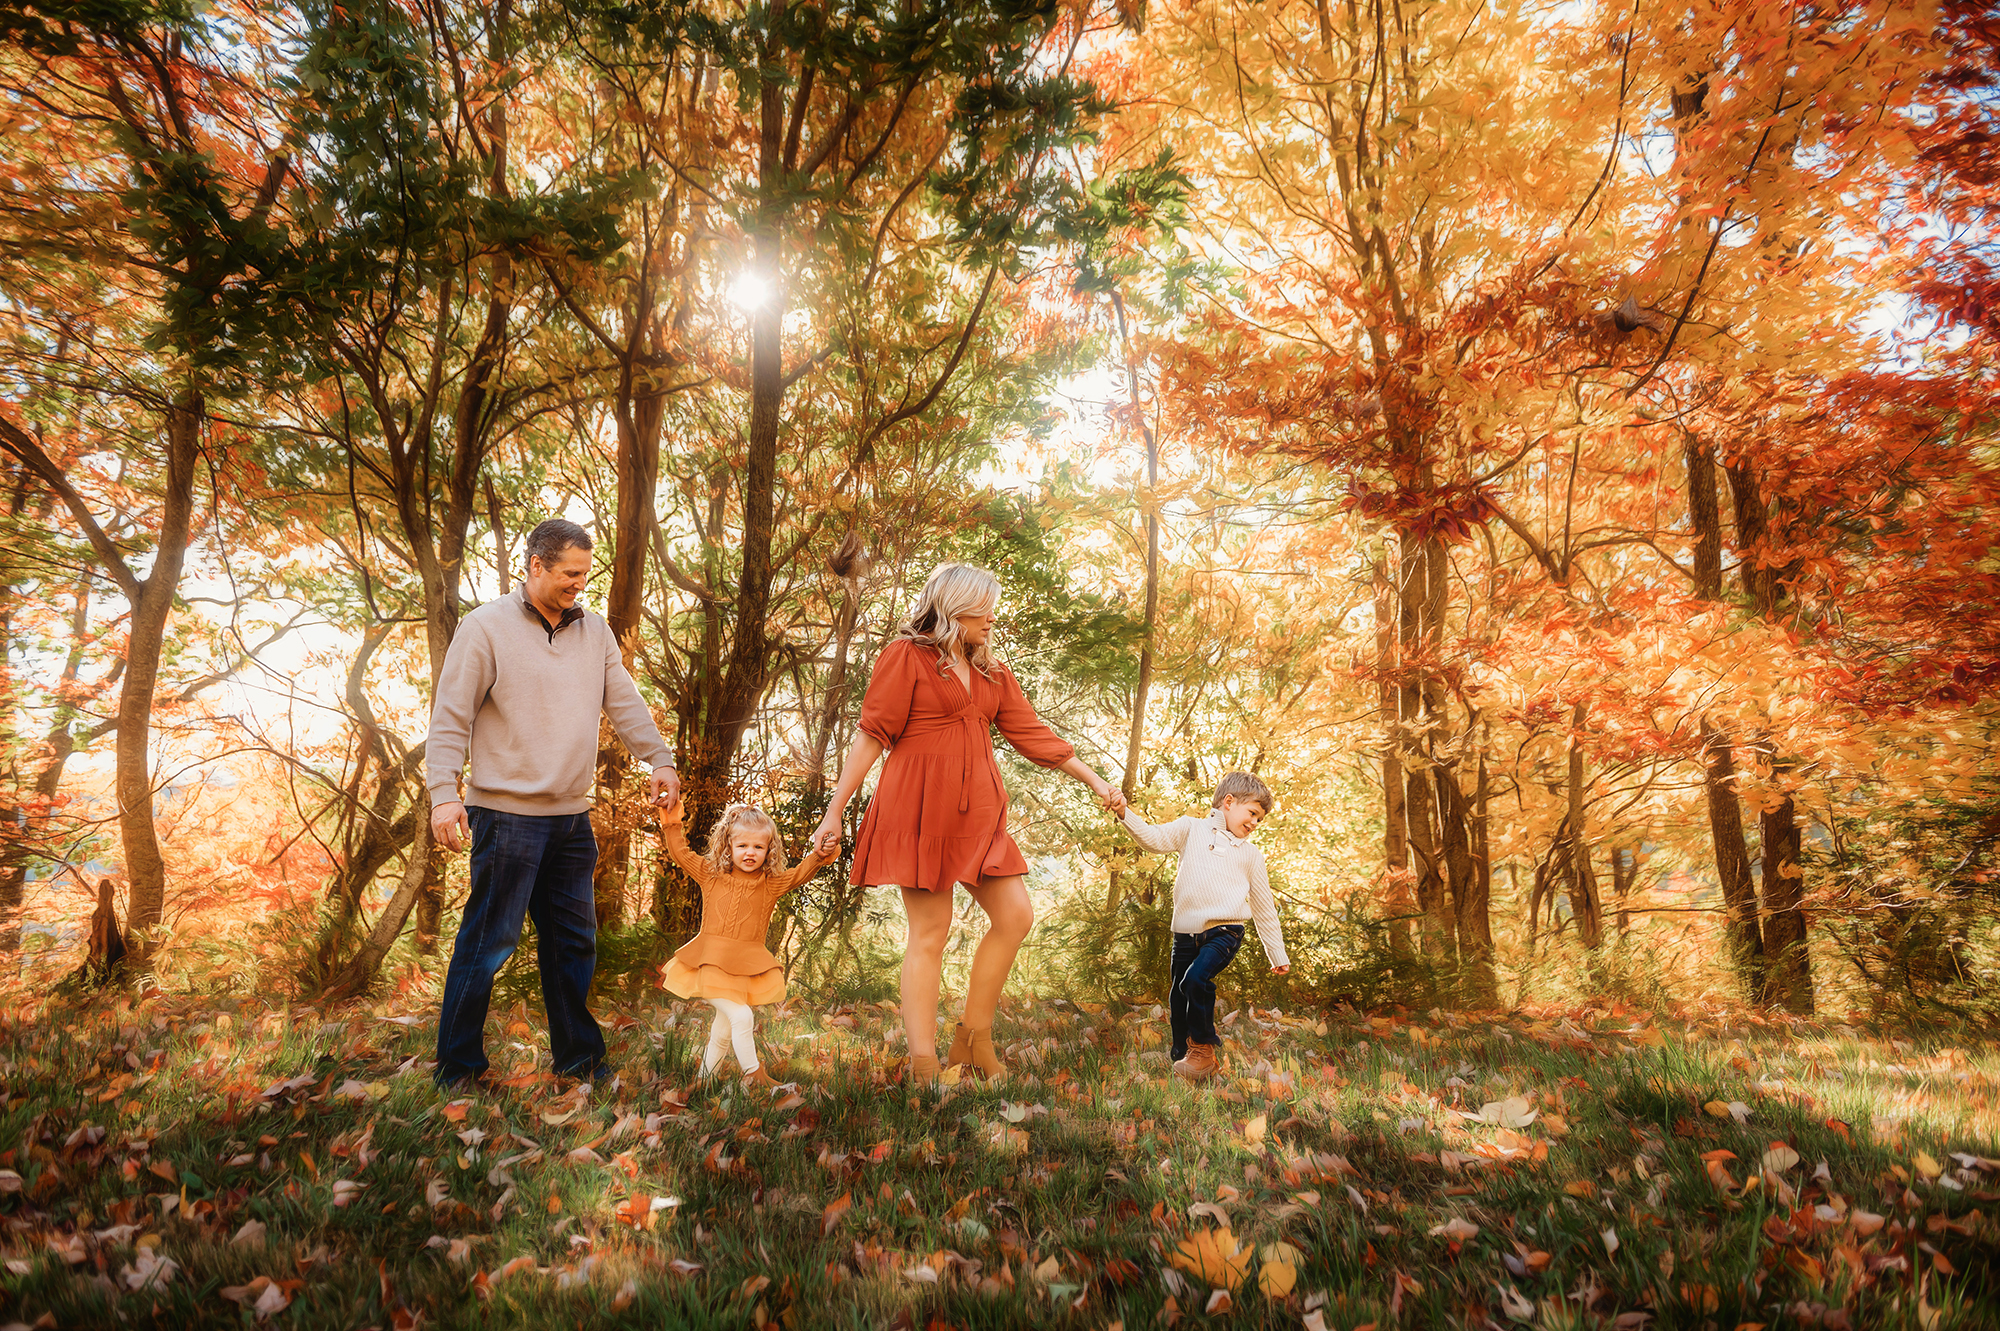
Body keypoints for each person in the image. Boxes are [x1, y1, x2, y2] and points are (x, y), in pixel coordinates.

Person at [809, 563, 1125, 1084]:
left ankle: (973, 1040)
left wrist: (1094, 781)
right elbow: (872, 734)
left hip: (979, 816)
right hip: (919, 808)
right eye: (985, 611)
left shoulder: (991, 672)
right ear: (956, 606)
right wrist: (835, 810)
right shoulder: (905, 656)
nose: (992, 621)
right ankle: (924, 1064)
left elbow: (1031, 732)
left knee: (1015, 915)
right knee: (930, 931)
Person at [425, 518, 679, 1088]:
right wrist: (444, 795)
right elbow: (450, 719)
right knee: (488, 944)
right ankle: (458, 1069)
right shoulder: (484, 628)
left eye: (585, 574)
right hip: (505, 815)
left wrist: (659, 758)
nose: (579, 584)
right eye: (570, 573)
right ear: (535, 565)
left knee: (573, 943)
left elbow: (625, 702)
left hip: (570, 819)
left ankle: (579, 1062)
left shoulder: (595, 633)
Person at [1116, 771, 1290, 1082]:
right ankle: (1183, 1055)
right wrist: (1123, 813)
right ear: (1228, 802)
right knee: (1178, 995)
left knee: (1195, 979)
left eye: (1259, 820)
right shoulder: (1190, 829)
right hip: (1185, 934)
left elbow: (1264, 907)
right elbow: (1154, 839)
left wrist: (1276, 953)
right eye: (1252, 813)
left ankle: (1204, 1049)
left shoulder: (1250, 855)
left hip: (1225, 931)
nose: (1254, 823)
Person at [657, 800, 827, 1088]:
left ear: (769, 851)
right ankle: (754, 1075)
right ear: (728, 847)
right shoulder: (711, 875)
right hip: (710, 963)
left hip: (743, 969)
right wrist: (672, 822)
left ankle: (702, 1082)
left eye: (758, 847)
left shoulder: (769, 884)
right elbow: (680, 853)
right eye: (743, 846)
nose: (750, 852)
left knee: (723, 1030)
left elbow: (801, 873)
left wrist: (821, 854)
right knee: (741, 1014)